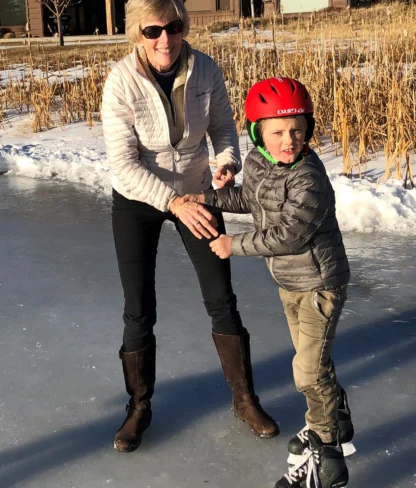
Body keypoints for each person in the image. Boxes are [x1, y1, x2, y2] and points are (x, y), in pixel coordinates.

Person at [101, 0, 279, 453]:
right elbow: (122, 164)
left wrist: (225, 163)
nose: (166, 39)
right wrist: (171, 201)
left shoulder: (205, 70)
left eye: (174, 26)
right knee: (138, 306)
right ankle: (138, 408)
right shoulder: (121, 81)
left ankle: (244, 399)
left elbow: (222, 128)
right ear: (136, 34)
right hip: (140, 198)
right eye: (153, 30)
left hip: (198, 193)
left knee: (222, 297)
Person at [181, 77, 355, 488]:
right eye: (277, 132)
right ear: (258, 134)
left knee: (308, 373)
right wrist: (209, 198)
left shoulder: (307, 177)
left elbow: (289, 234)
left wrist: (232, 244)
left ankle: (327, 457)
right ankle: (335, 415)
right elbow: (252, 201)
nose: (289, 140)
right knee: (312, 364)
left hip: (319, 284)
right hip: (290, 282)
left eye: (297, 129)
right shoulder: (261, 164)